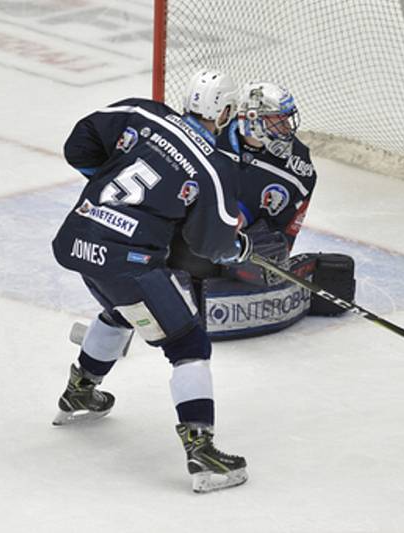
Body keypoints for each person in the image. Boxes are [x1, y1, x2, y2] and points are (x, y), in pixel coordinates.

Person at [51, 69, 252, 493]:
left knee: (122, 310)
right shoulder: (213, 166)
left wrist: (107, 189)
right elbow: (211, 244)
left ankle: (81, 390)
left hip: (78, 239)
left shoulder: (140, 112)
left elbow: (79, 144)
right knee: (188, 345)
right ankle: (202, 451)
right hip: (129, 260)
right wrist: (237, 249)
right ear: (227, 112)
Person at [167, 81, 355, 339]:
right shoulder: (211, 138)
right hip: (197, 223)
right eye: (279, 121)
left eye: (287, 120)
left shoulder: (298, 168)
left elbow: (286, 230)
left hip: (243, 239)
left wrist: (278, 258)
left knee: (267, 252)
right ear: (253, 120)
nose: (288, 129)